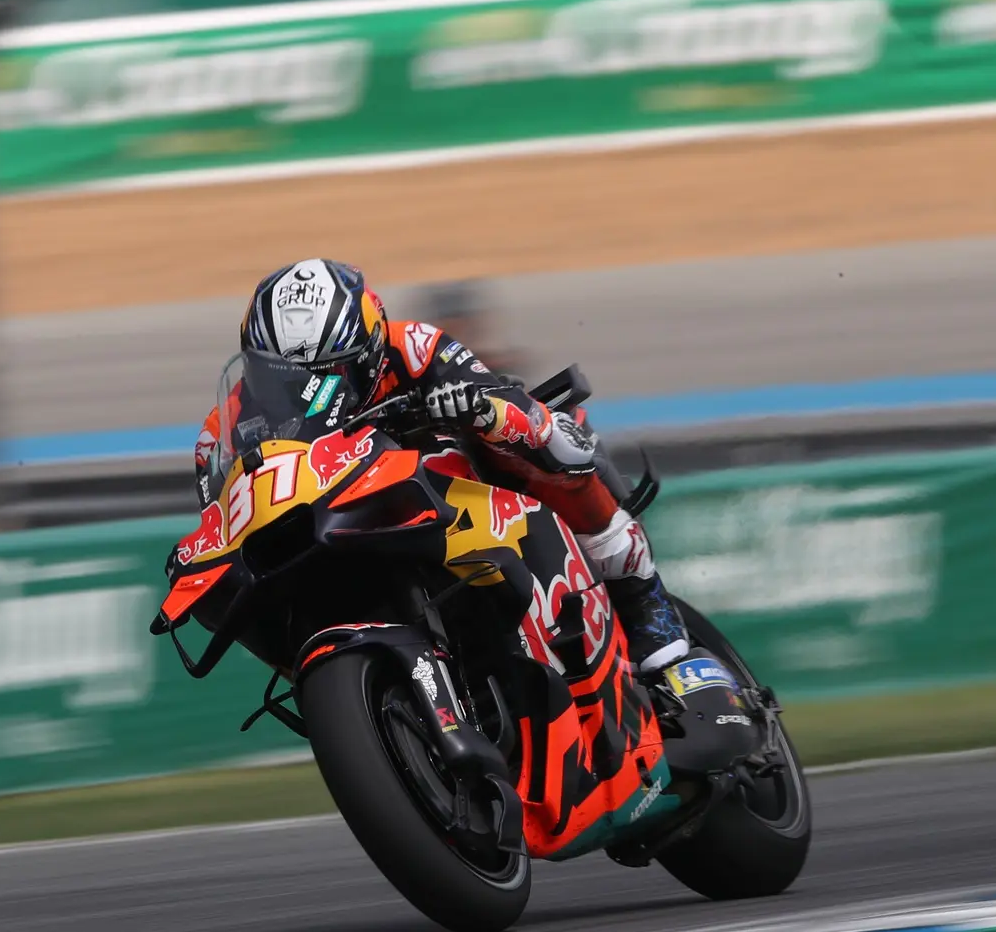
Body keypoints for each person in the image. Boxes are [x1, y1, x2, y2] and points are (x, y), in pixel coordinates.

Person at [194, 258, 688, 673]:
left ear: (367, 350)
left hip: (445, 490)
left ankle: (640, 591)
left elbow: (508, 402)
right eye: (280, 376)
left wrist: (481, 410)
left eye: (326, 373)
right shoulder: (224, 426)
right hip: (331, 520)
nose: (302, 390)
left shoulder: (413, 346)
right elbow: (217, 514)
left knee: (549, 442)